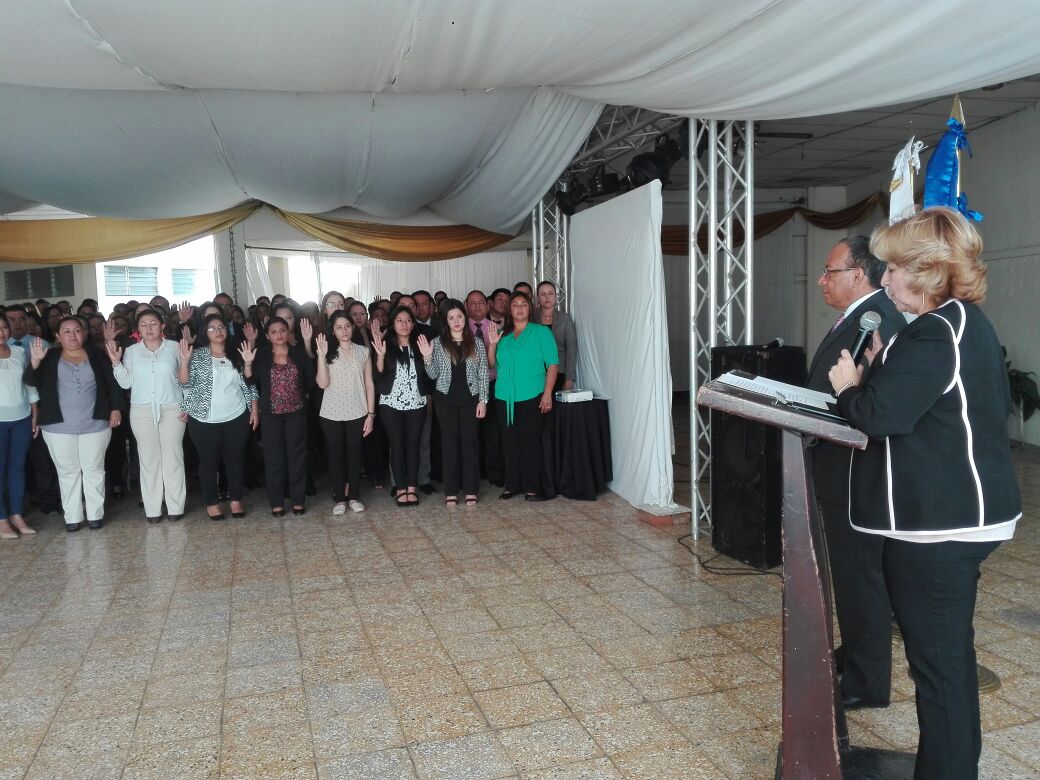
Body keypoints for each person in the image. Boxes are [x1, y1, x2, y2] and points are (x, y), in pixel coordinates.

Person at [828, 208, 1021, 780]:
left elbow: (881, 415)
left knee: (940, 669)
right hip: (946, 518)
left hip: (940, 525)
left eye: (892, 268)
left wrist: (849, 388)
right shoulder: (955, 323)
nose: (884, 280)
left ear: (927, 270)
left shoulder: (937, 331)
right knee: (944, 663)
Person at [806, 235, 906, 711]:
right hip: (838, 464)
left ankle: (867, 682)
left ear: (859, 274)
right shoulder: (860, 317)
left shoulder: (877, 320)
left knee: (861, 575)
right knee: (849, 574)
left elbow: (866, 400)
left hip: (855, 471)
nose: (821, 280)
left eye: (830, 272)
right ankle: (857, 654)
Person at [28, 317, 123, 531]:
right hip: (57, 427)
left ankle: (95, 515)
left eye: (77, 330)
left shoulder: (97, 355)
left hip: (95, 423)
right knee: (67, 471)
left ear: (84, 333)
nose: (73, 335)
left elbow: (112, 382)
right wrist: (35, 362)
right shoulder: (49, 356)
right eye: (67, 331)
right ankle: (72, 517)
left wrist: (116, 408)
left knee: (94, 469)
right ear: (58, 336)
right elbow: (30, 382)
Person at [108, 308, 186, 523]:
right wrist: (116, 363)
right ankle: (153, 509)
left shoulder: (174, 347)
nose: (149, 328)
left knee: (173, 457)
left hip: (172, 407)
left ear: (162, 326)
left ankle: (175, 506)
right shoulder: (132, 351)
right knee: (148, 459)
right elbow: (126, 383)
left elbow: (185, 379)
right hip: (141, 410)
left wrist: (187, 405)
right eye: (143, 325)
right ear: (138, 329)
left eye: (153, 323)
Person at [179, 314, 259, 520]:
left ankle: (236, 500)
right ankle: (212, 503)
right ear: (205, 333)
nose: (218, 331)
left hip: (237, 415)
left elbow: (249, 384)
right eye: (212, 328)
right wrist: (184, 362)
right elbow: (185, 384)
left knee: (235, 460)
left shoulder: (237, 352)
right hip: (204, 419)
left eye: (221, 327)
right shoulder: (197, 355)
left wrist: (254, 408)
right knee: (208, 461)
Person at [487, 291, 558, 502]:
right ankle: (512, 485)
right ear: (510, 309)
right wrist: (492, 343)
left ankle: (532, 487)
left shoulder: (541, 332)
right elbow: (492, 363)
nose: (519, 308)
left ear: (530, 308)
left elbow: (553, 364)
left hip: (532, 395)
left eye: (523, 304)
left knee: (530, 442)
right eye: (515, 305)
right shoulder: (503, 334)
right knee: (509, 443)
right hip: (504, 396)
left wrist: (547, 394)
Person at [418, 300, 489, 507]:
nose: (456, 321)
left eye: (459, 316)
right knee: (449, 445)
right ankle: (450, 490)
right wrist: (427, 357)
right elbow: (433, 375)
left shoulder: (476, 342)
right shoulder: (438, 343)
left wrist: (483, 400)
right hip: (445, 400)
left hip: (471, 399)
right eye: (451, 318)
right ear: (446, 321)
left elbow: (483, 373)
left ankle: (471, 489)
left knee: (470, 444)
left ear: (464, 317)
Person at [247, 317, 313, 516]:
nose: (279, 334)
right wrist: (248, 364)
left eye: (282, 330)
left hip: (296, 412)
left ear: (288, 331)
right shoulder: (261, 356)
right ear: (267, 336)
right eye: (274, 331)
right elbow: (251, 382)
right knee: (274, 458)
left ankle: (298, 500)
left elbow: (310, 381)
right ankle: (277, 502)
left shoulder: (298, 353)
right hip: (271, 414)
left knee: (297, 457)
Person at [316, 312, 375, 514]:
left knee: (355, 454)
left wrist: (371, 414)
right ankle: (340, 499)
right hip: (331, 412)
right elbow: (322, 383)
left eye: (347, 326)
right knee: (335, 455)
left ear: (353, 327)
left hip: (357, 410)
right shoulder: (328, 351)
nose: (344, 330)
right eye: (339, 327)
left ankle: (355, 496)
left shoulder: (363, 351)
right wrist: (321, 356)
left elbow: (369, 384)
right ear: (332, 330)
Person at [372, 306, 431, 506]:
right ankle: (400, 488)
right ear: (393, 324)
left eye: (408, 320)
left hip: (417, 402)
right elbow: (378, 375)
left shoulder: (420, 345)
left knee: (413, 445)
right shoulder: (385, 345)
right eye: (399, 320)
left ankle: (412, 488)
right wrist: (380, 356)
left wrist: (428, 356)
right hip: (391, 403)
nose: (404, 324)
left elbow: (430, 376)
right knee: (397, 445)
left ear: (413, 324)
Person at [0, 314, 39, 539]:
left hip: (21, 418)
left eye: (4, 327)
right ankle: (2, 518)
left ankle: (17, 514)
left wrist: (35, 413)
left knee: (17, 468)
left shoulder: (18, 352)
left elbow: (28, 384)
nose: (1, 332)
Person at [535, 281, 578, 391]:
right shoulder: (532, 318)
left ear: (556, 296)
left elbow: (571, 348)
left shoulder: (565, 318)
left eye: (551, 293)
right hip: (535, 371)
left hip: (559, 371)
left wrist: (569, 378)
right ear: (538, 298)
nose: (547, 297)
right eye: (543, 294)